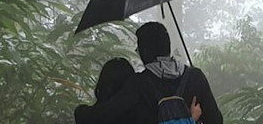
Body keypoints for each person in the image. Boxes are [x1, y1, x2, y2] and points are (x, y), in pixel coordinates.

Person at [75, 22, 222, 124]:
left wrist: (80, 111)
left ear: (145, 51)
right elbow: (216, 120)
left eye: (138, 49)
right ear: (168, 47)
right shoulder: (195, 77)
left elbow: (105, 115)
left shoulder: (138, 83)